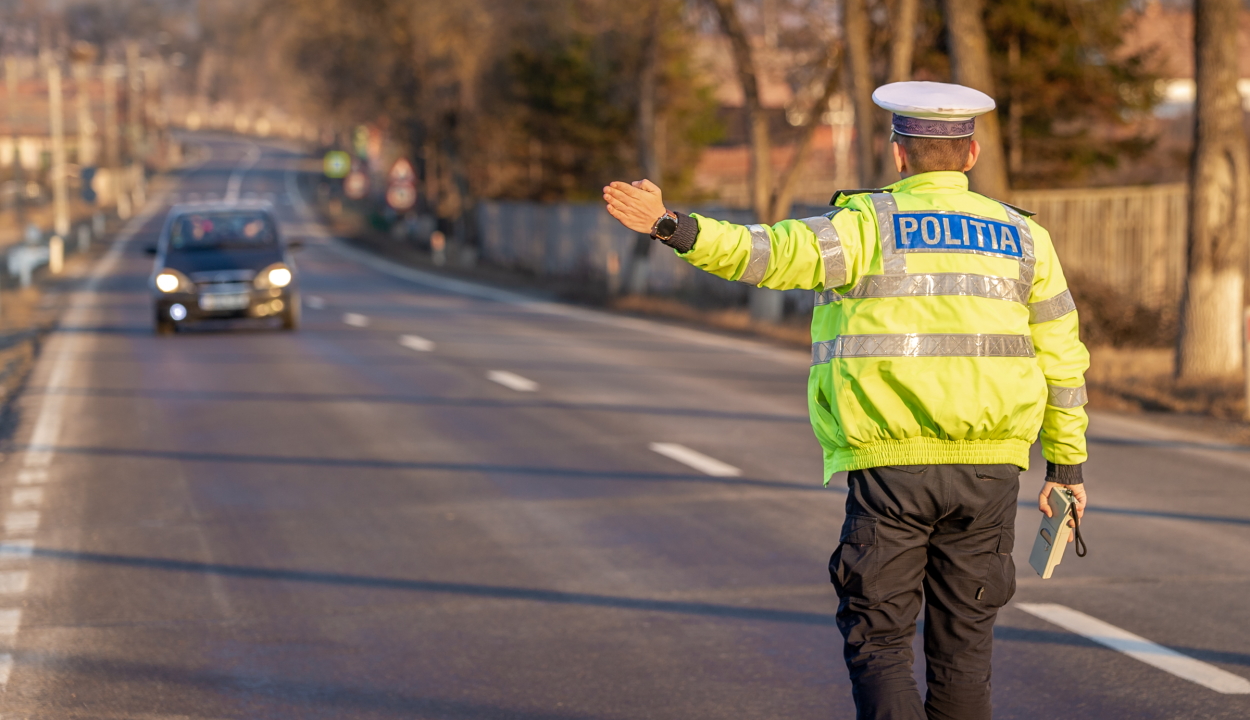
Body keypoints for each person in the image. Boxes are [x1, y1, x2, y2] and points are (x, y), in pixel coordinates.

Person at [602, 81, 1089, 720]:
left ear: (898, 155)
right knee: (966, 645)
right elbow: (1063, 358)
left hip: (891, 471)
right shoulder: (1027, 238)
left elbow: (765, 254)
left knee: (880, 638)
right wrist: (1067, 469)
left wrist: (671, 224)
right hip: (992, 469)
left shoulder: (864, 225)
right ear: (971, 156)